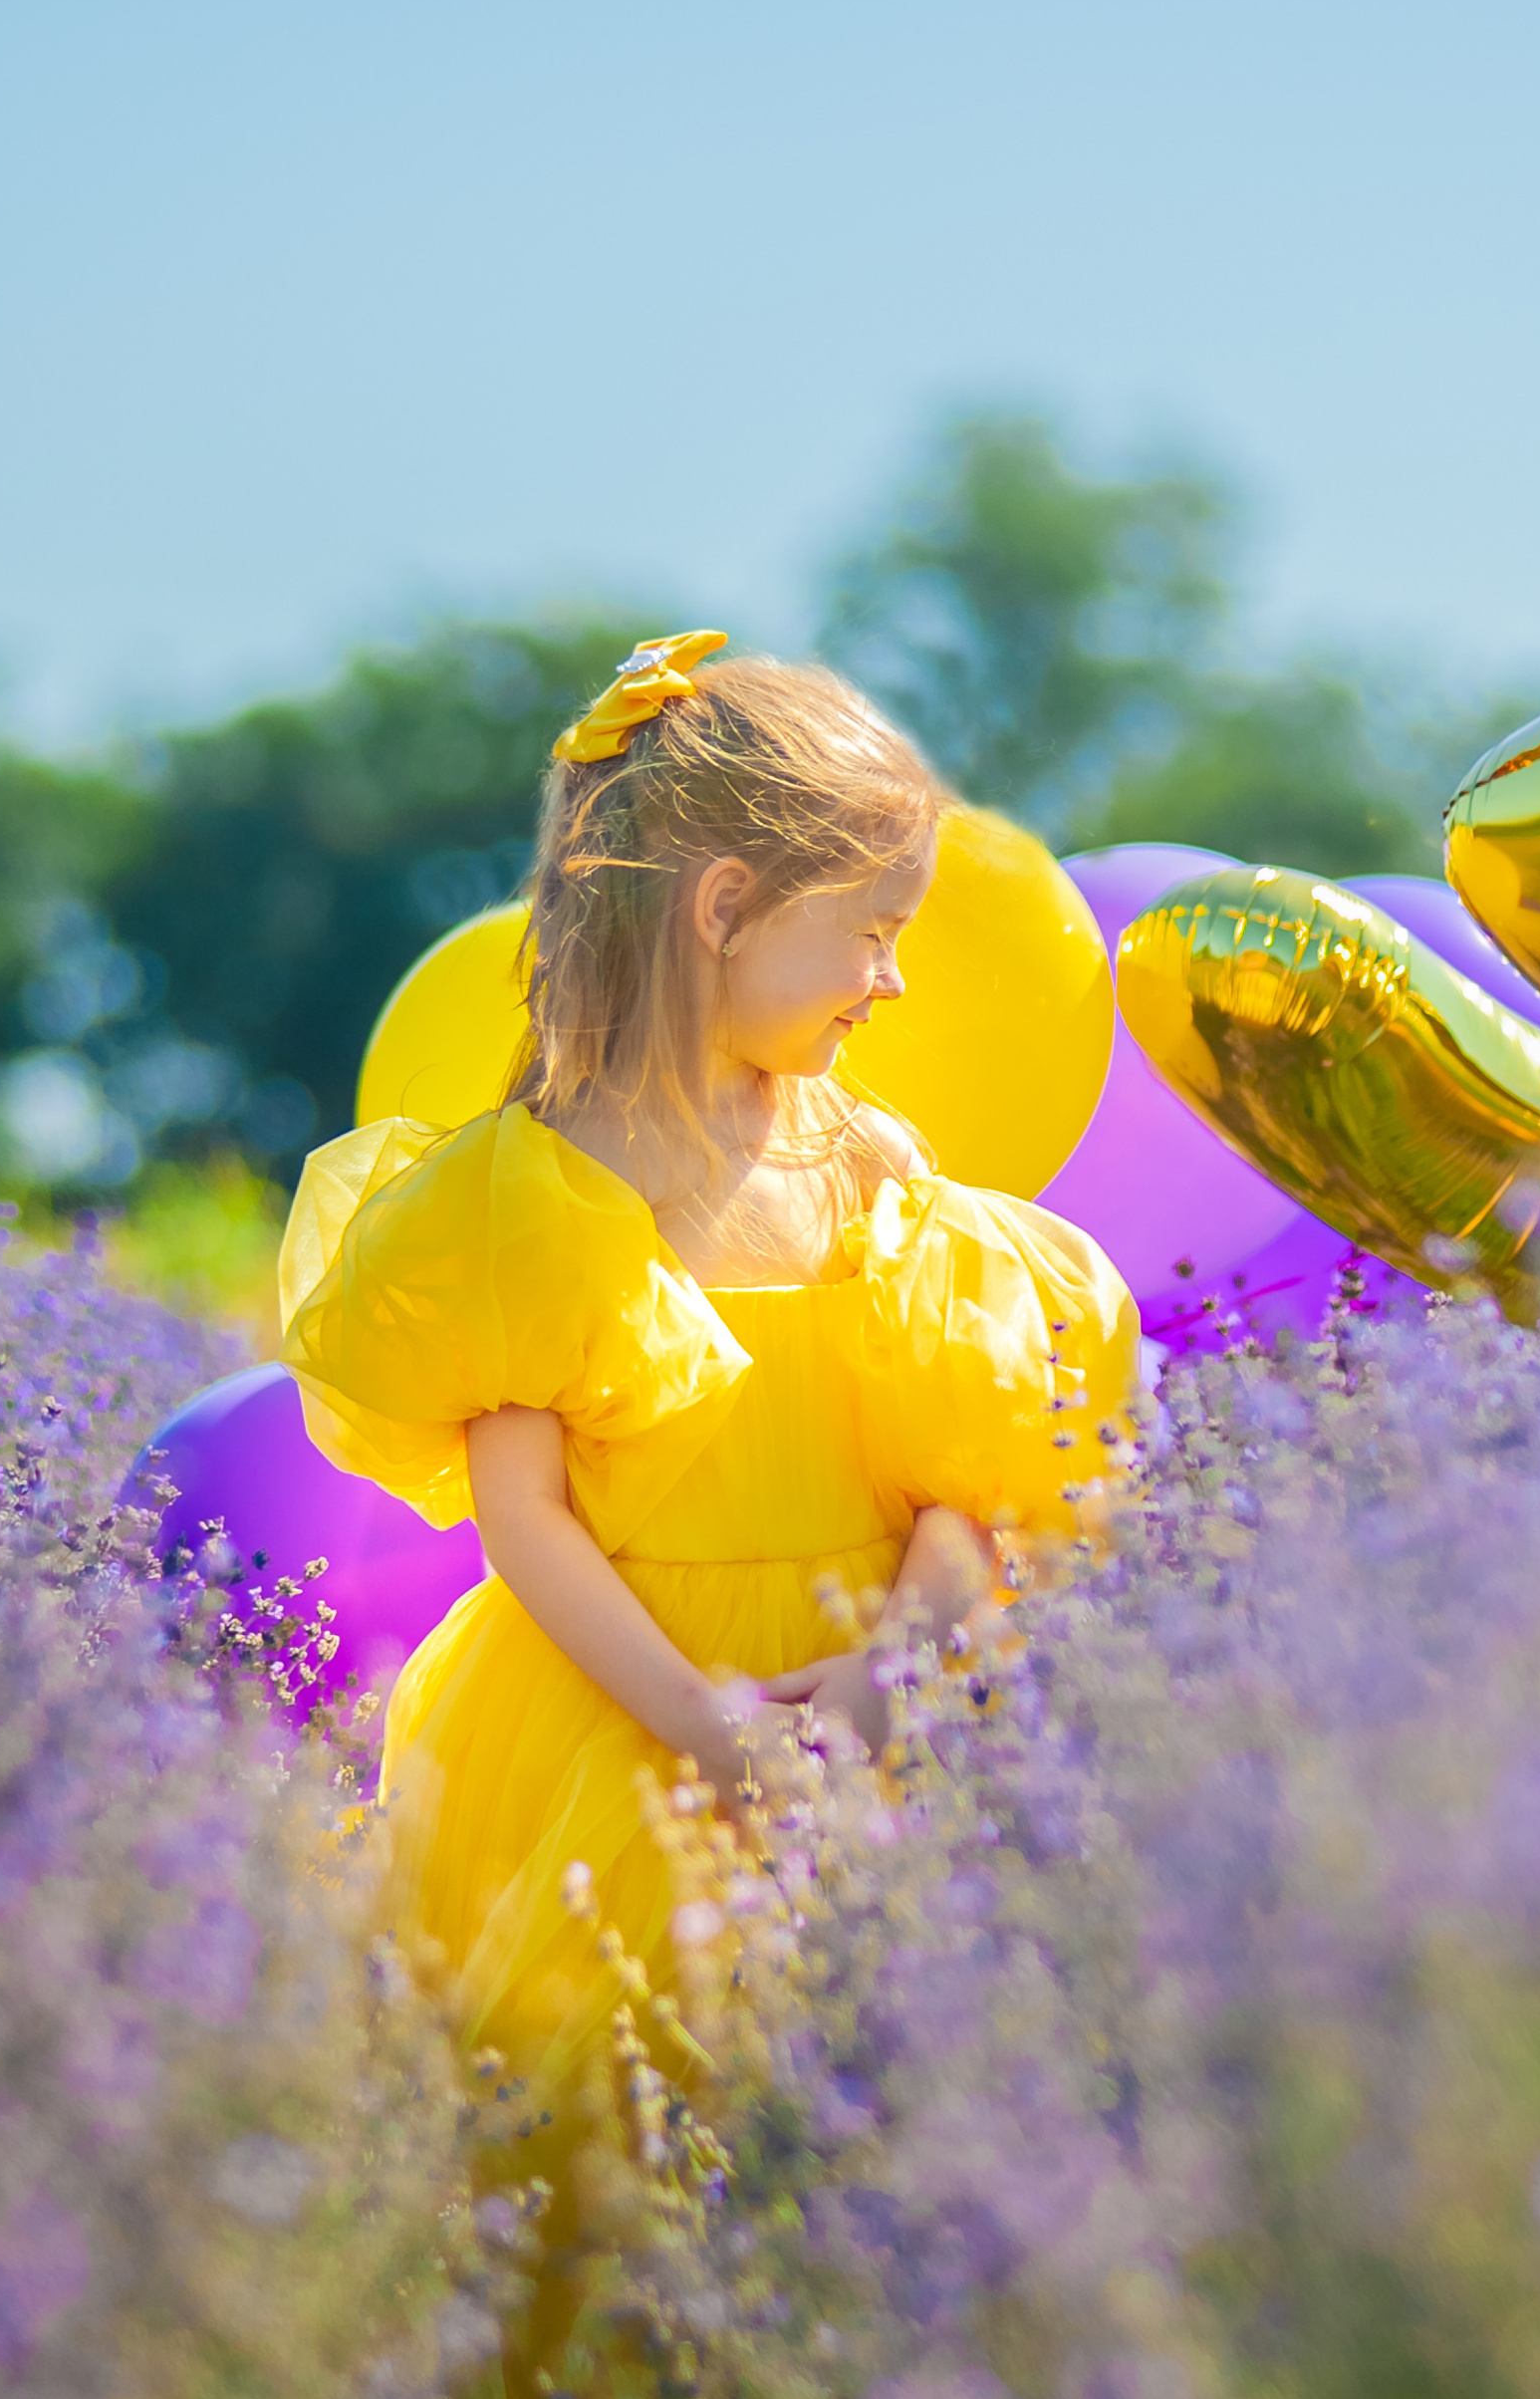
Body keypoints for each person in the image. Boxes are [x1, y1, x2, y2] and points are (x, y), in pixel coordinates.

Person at [278, 630, 1137, 2222]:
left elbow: (975, 1456)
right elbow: (522, 1522)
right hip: (627, 1722)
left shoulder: (868, 1165)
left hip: (871, 1706)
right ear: (725, 907)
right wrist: (708, 1727)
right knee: (599, 2130)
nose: (890, 983)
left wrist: (903, 1661)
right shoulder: (520, 1199)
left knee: (892, 2142)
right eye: (871, 935)